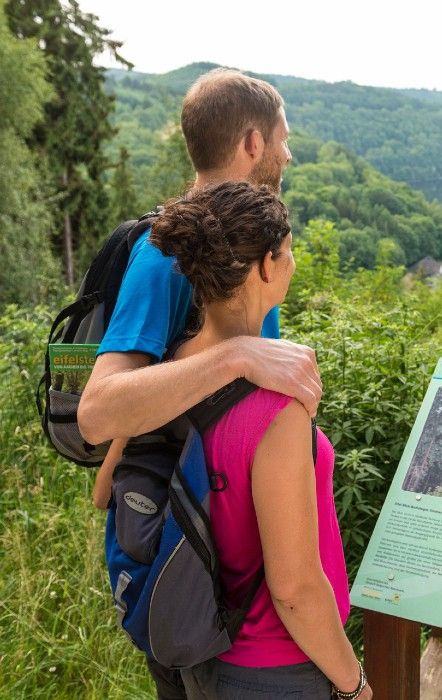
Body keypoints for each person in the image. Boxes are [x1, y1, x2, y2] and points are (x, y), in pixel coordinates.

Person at [81, 68, 322, 697]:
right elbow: (99, 412)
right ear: (251, 142)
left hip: (230, 585)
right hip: (184, 572)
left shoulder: (240, 241)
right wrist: (237, 356)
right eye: (283, 137)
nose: (288, 151)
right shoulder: (166, 255)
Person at [147, 181, 370, 700]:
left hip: (196, 649)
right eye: (288, 253)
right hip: (276, 666)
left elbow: (106, 490)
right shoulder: (277, 406)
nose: (292, 264)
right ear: (266, 267)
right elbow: (293, 590)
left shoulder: (166, 376)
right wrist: (354, 684)